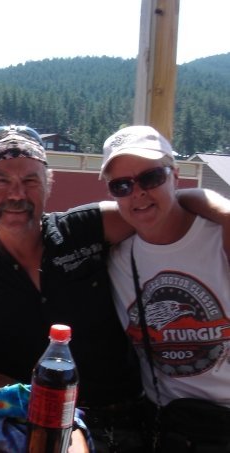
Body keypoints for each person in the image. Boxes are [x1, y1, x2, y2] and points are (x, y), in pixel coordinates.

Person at [0, 125, 146, 452]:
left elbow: (167, 211)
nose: (16, 195)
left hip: (131, 421)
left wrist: (222, 214)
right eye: (1, 181)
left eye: (31, 181)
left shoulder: (87, 229)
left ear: (49, 184)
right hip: (37, 428)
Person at [101, 125, 230, 451]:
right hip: (170, 428)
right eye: (121, 185)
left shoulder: (220, 238)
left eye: (151, 177)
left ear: (176, 176)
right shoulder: (116, 260)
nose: (137, 193)